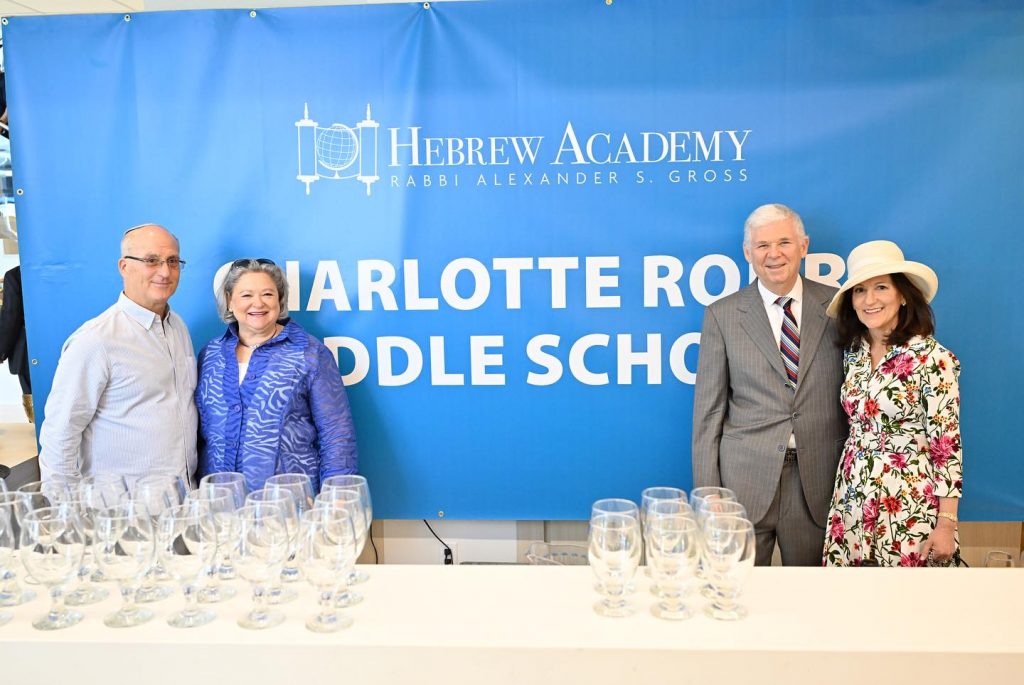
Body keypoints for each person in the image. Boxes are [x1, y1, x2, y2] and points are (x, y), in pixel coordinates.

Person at [692, 204, 847, 566]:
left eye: (784, 242)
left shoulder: (839, 307)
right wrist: (708, 492)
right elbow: (708, 411)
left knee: (811, 601)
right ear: (748, 253)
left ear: (804, 246)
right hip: (742, 484)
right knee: (737, 595)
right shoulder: (722, 314)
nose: (773, 254)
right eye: (762, 246)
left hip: (817, 483)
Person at [822, 241, 962, 567]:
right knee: (850, 602)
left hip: (909, 505)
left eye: (881, 287)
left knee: (907, 607)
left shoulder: (933, 359)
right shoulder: (853, 354)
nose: (869, 299)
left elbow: (947, 446)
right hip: (853, 498)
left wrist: (946, 523)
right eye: (859, 290)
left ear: (902, 295)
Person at [38, 224, 198, 486]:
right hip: (122, 513)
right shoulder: (95, 340)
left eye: (172, 261)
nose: (165, 271)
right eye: (151, 261)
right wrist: (65, 514)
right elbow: (60, 434)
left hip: (183, 505)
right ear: (124, 266)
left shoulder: (177, 326)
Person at [196, 258, 357, 493]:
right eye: (246, 295)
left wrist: (339, 498)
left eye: (268, 294)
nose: (258, 303)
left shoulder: (310, 353)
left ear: (280, 300)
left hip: (289, 507)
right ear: (230, 301)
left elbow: (337, 435)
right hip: (220, 507)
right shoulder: (210, 355)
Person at [0, 266, 32, 422]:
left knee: (32, 396)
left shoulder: (14, 275)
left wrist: (1, 349)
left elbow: (10, 316)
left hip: (27, 352)